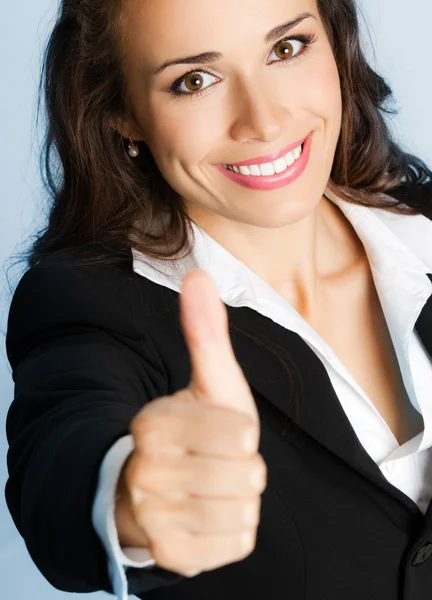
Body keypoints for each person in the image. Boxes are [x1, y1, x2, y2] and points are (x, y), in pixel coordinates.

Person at [5, 0, 432, 598]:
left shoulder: (423, 222)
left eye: (286, 48)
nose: (262, 120)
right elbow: (63, 458)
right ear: (123, 113)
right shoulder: (88, 305)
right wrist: (128, 494)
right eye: (195, 80)